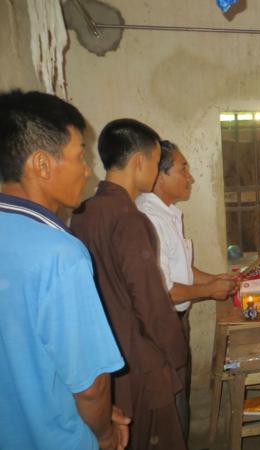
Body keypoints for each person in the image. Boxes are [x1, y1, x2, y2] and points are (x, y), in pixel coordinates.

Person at [0, 90, 129, 449]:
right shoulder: (59, 254)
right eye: (80, 156)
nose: (87, 170)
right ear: (42, 165)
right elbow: (90, 387)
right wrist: (104, 433)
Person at [71, 119, 188, 450]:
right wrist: (176, 353)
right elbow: (150, 301)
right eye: (155, 161)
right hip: (141, 357)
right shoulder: (131, 219)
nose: (155, 171)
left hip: (105, 355)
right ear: (139, 161)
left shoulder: (84, 213)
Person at [135, 140, 236, 439]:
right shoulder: (150, 219)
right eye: (183, 169)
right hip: (162, 325)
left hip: (177, 321)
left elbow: (182, 270)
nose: (189, 177)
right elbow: (163, 290)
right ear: (159, 175)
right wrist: (210, 291)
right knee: (173, 402)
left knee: (181, 394)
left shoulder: (167, 213)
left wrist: (214, 279)